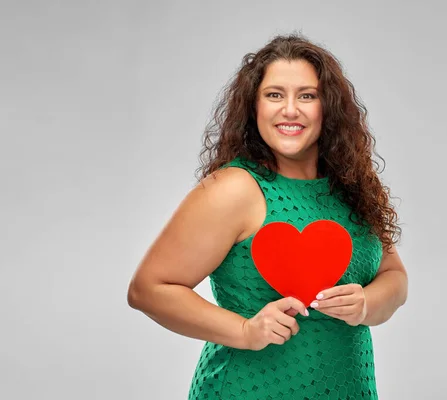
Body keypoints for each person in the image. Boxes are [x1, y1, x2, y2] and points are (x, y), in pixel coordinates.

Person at [127, 33, 408, 399]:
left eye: (307, 95)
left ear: (329, 108)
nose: (290, 109)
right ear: (253, 107)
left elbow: (394, 276)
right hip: (249, 388)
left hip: (348, 388)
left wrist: (366, 305)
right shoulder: (234, 188)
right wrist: (244, 330)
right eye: (275, 95)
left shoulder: (350, 189)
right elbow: (148, 289)